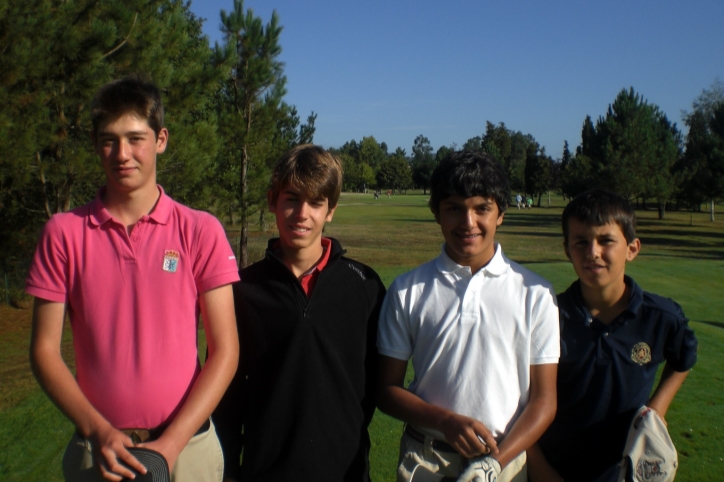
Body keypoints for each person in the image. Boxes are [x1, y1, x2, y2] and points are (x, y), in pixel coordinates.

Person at [26, 75, 240, 482]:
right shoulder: (63, 232)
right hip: (98, 451)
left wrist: (170, 446)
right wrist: (98, 431)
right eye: (109, 139)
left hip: (187, 449)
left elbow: (225, 352)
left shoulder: (199, 230)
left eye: (135, 138)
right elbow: (44, 352)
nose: (122, 153)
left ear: (161, 139)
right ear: (95, 144)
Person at [376, 150, 560, 482]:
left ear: (501, 213)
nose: (468, 223)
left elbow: (544, 401)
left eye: (482, 209)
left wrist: (494, 464)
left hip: (504, 462)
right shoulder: (407, 289)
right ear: (437, 213)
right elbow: (386, 389)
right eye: (454, 209)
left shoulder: (536, 294)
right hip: (427, 460)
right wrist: (444, 420)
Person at [213, 144, 386, 482]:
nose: (302, 213)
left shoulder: (364, 286)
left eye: (316, 202)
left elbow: (374, 385)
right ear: (272, 201)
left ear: (330, 210)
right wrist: (229, 470)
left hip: (345, 471)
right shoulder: (243, 290)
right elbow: (228, 395)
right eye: (291, 198)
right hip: (265, 471)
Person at [528, 189, 698, 482]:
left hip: (622, 470)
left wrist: (656, 410)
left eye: (606, 240)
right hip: (553, 469)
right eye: (580, 242)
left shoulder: (661, 317)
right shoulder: (547, 317)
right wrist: (543, 473)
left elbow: (683, 358)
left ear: (632, 249)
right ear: (567, 249)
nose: (592, 252)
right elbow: (521, 404)